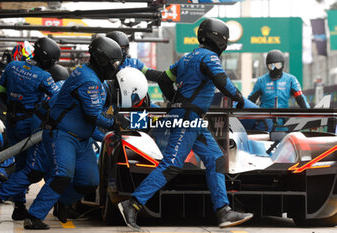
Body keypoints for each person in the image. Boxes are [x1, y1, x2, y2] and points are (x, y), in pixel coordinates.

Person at [118, 18, 253, 231]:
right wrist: (240, 99)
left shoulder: (186, 58)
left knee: (215, 158)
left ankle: (223, 212)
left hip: (190, 118)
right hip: (188, 119)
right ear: (220, 39)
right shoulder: (209, 57)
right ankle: (132, 204)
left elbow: (164, 79)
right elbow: (221, 81)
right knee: (171, 164)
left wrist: (176, 101)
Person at [22, 36, 128, 230]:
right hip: (62, 135)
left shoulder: (92, 76)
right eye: (114, 61)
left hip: (81, 138)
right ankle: (33, 216)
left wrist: (109, 133)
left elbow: (90, 119)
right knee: (62, 175)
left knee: (89, 181)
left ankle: (62, 202)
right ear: (103, 60)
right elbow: (93, 115)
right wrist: (116, 123)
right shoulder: (89, 81)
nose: (115, 66)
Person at [0, 37, 61, 220]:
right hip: (30, 126)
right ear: (46, 60)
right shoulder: (44, 77)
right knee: (34, 170)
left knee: (20, 165)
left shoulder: (12, 67)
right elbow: (59, 100)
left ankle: (19, 207)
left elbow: (1, 92)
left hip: (11, 123)